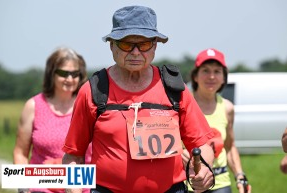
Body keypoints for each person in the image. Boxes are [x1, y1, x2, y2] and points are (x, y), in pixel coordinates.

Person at [62, 5, 215, 193]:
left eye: (143, 45)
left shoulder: (174, 88)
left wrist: (205, 169)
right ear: (112, 45)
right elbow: (73, 157)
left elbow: (201, 144)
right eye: (126, 44)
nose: (135, 52)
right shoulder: (93, 90)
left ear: (155, 46)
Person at [13, 47, 91, 193]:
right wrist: (23, 186)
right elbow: (20, 152)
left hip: (84, 188)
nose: (69, 79)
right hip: (42, 187)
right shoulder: (33, 106)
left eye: (75, 74)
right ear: (51, 74)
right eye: (63, 73)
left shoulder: (89, 106)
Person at [182, 48, 251, 193]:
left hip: (220, 184)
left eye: (217, 71)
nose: (211, 76)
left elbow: (230, 146)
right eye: (205, 71)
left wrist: (240, 175)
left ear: (224, 77)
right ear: (195, 76)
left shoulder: (227, 108)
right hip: (189, 184)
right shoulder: (182, 105)